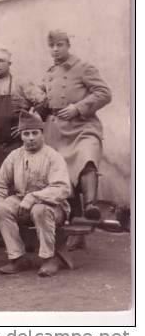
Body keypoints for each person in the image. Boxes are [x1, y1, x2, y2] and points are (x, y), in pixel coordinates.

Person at [40, 30, 112, 250]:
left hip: (83, 127)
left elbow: (104, 93)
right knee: (65, 179)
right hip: (57, 131)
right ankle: (77, 233)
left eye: (60, 45)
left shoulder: (84, 67)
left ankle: (91, 205)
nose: (55, 49)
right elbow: (45, 98)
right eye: (52, 46)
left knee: (87, 159)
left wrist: (78, 108)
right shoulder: (50, 73)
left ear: (68, 45)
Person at [0, 110, 72, 277]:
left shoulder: (53, 156)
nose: (30, 138)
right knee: (1, 209)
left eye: (35, 133)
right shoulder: (15, 156)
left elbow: (62, 188)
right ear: (21, 136)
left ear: (42, 133)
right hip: (21, 202)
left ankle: (49, 259)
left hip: (53, 206)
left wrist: (34, 197)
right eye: (26, 133)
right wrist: (0, 203)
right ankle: (18, 258)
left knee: (39, 210)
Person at [0, 47, 39, 215]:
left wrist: (26, 125)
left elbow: (42, 102)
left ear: (9, 63)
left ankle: (18, 226)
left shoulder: (21, 83)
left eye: (1, 61)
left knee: (16, 186)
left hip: (16, 146)